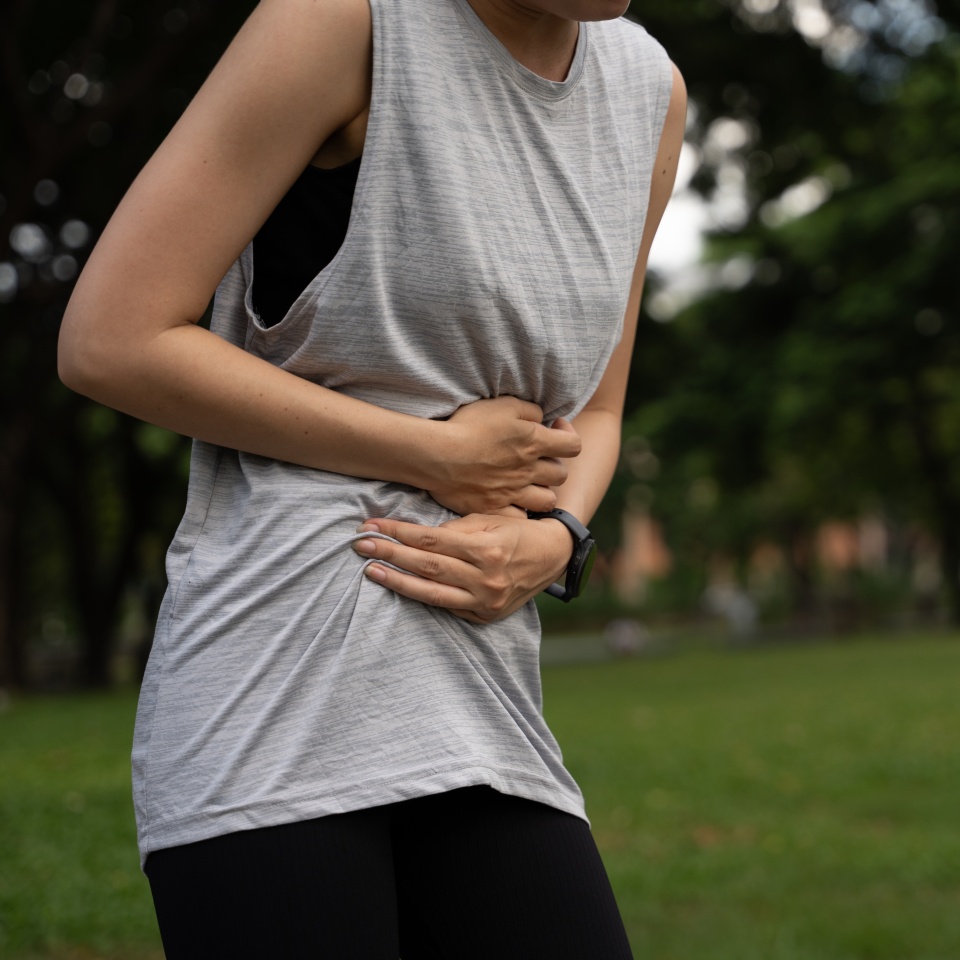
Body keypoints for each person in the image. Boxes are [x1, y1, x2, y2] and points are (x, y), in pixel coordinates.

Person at [59, 0, 685, 954]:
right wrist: (431, 454)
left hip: (484, 700)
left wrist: (557, 540)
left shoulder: (649, 91)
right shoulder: (348, 19)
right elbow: (111, 338)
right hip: (273, 702)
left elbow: (597, 408)